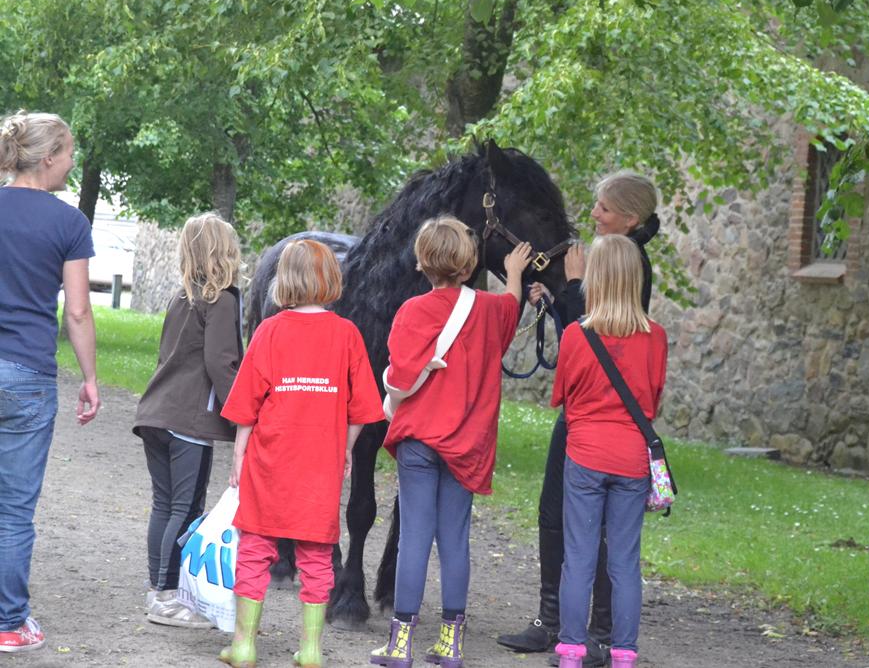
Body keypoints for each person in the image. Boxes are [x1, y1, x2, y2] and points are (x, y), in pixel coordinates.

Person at [500, 170, 659, 666]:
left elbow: (591, 330)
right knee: (604, 539)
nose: (594, 215)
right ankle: (596, 636)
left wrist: (568, 289)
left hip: (587, 422)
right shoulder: (628, 275)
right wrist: (557, 300)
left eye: (604, 209)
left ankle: (576, 630)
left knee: (573, 529)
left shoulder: (626, 263)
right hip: (624, 433)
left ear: (629, 219)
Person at [370, 217, 532, 668]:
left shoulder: (412, 312)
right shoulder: (491, 310)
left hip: (420, 440)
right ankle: (451, 643)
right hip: (466, 444)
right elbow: (512, 305)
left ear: (422, 262)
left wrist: (389, 380)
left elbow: (401, 377)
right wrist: (515, 275)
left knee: (414, 539)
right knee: (455, 541)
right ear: (470, 261)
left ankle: (399, 644)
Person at [218, 239, 383, 668]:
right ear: (333, 280)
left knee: (254, 548)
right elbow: (365, 406)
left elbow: (246, 405)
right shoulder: (347, 334)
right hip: (320, 466)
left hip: (269, 461)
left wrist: (240, 453)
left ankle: (244, 645)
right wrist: (344, 449)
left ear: (282, 281)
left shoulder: (269, 331)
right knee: (317, 554)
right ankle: (311, 650)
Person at [0, 111, 100, 654]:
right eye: (68, 154)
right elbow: (78, 313)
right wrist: (89, 378)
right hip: (27, 375)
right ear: (47, 158)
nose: (71, 163)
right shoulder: (68, 223)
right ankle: (10, 623)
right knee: (13, 508)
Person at [552, 235, 668, 668]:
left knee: (579, 557)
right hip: (632, 458)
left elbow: (562, 395)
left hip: (585, 453)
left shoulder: (575, 336)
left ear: (594, 280)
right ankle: (623, 654)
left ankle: (570, 651)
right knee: (624, 562)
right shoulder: (656, 337)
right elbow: (652, 401)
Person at [132, 213, 242, 628]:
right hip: (188, 421)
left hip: (156, 413)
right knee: (185, 506)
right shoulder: (223, 300)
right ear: (223, 251)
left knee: (164, 505)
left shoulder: (182, 298)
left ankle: (157, 589)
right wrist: (243, 411)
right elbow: (220, 362)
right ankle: (168, 596)